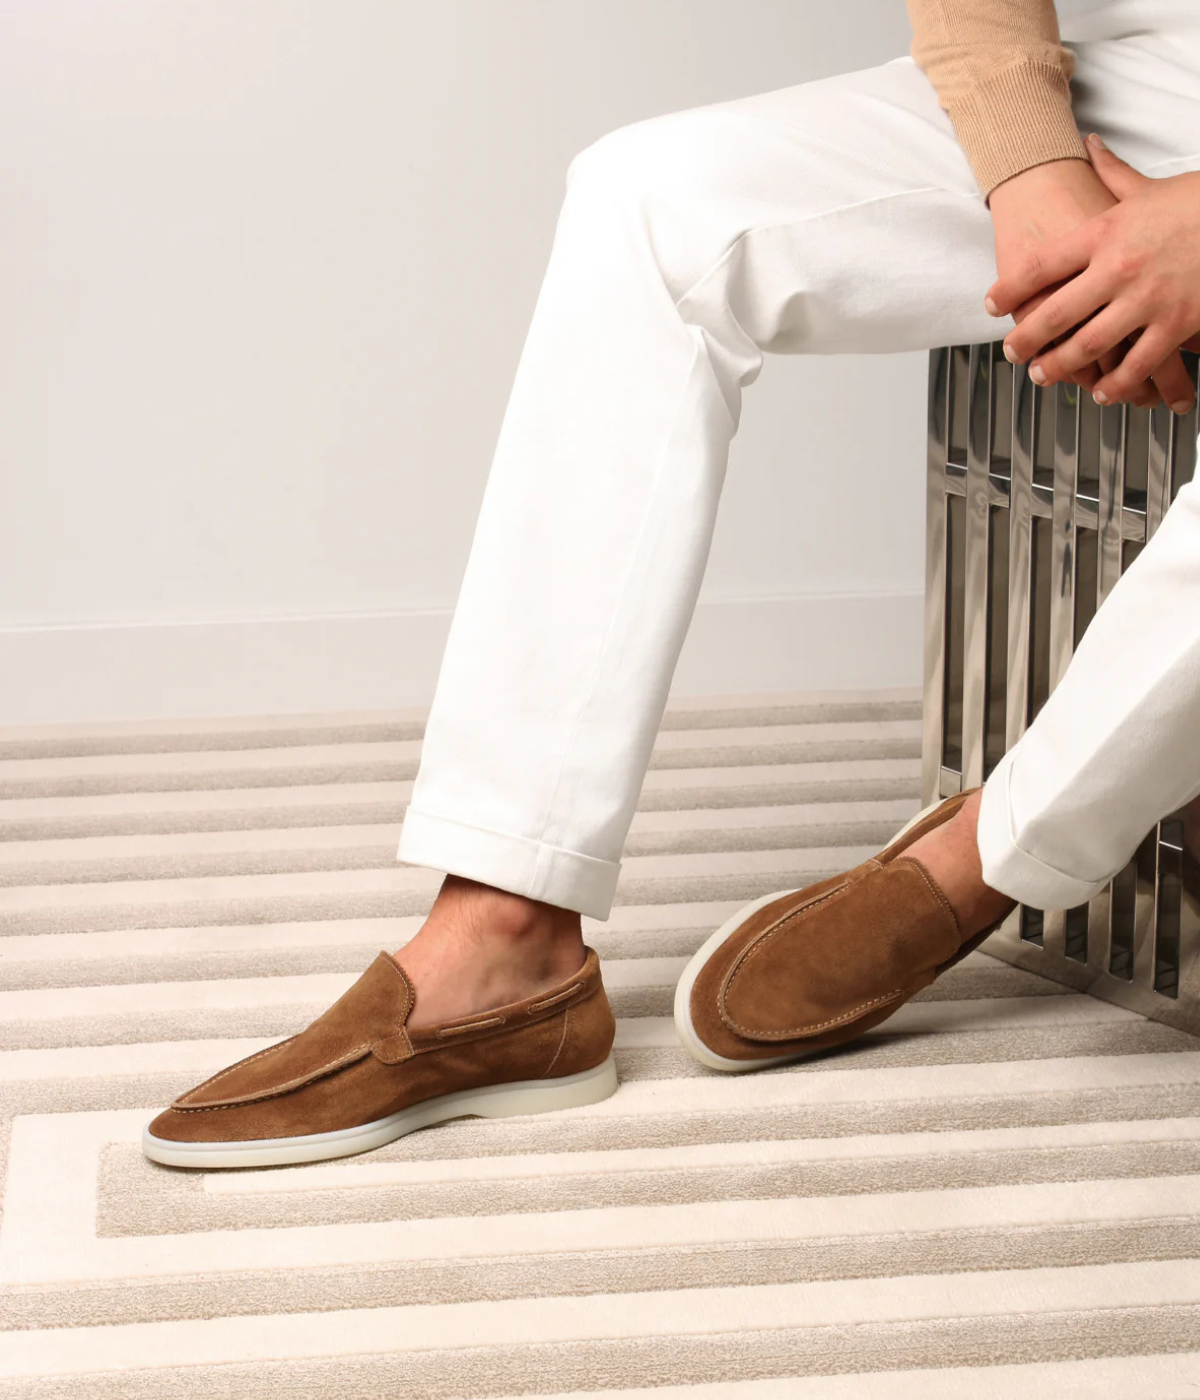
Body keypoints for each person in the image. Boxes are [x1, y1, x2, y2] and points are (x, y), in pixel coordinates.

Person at [143, 1, 1200, 1166]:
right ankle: (505, 938)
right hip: (1140, 74)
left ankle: (992, 849)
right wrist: (1031, 172)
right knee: (650, 201)